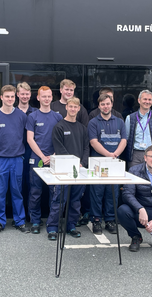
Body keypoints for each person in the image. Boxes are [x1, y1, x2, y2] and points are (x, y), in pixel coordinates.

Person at [0, 85, 30, 234]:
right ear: (1, 97)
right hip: (0, 159)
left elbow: (25, 137)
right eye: (7, 96)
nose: (10, 99)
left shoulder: (21, 116)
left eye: (12, 96)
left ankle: (20, 221)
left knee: (17, 191)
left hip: (17, 159)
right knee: (0, 192)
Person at [47, 97, 89, 240]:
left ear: (78, 109)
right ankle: (52, 227)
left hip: (80, 170)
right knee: (59, 199)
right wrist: (72, 163)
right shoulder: (59, 127)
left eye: (75, 107)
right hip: (64, 170)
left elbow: (86, 148)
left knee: (75, 200)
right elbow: (59, 148)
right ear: (66, 107)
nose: (72, 109)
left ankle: (71, 225)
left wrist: (82, 162)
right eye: (70, 106)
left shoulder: (82, 128)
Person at [88, 94, 127, 235]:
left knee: (113, 192)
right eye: (102, 104)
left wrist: (115, 154)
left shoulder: (120, 122)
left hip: (114, 163)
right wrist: (109, 155)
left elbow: (124, 140)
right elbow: (93, 142)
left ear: (112, 105)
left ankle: (110, 219)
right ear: (99, 106)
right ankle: (96, 220)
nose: (105, 106)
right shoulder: (93, 122)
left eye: (108, 104)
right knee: (97, 192)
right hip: (99, 163)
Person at [26, 86, 63, 234]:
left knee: (54, 194)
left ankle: (52, 224)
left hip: (54, 160)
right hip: (36, 160)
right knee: (35, 192)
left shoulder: (58, 117)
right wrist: (42, 156)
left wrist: (52, 156)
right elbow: (30, 139)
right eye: (44, 96)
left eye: (49, 96)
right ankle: (35, 221)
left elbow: (61, 140)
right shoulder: (32, 117)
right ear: (38, 98)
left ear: (51, 98)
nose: (46, 99)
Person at [124, 90, 152, 168]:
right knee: (134, 177)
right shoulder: (130, 118)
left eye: (149, 100)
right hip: (135, 154)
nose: (147, 102)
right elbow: (127, 137)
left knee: (151, 178)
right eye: (145, 99)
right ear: (139, 100)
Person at [17, 82, 37, 218]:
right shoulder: (11, 111)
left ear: (30, 95)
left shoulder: (36, 112)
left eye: (27, 94)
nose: (24, 96)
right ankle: (19, 214)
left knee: (32, 184)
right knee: (18, 185)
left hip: (32, 152)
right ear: (17, 94)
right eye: (22, 93)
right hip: (16, 153)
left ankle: (32, 215)